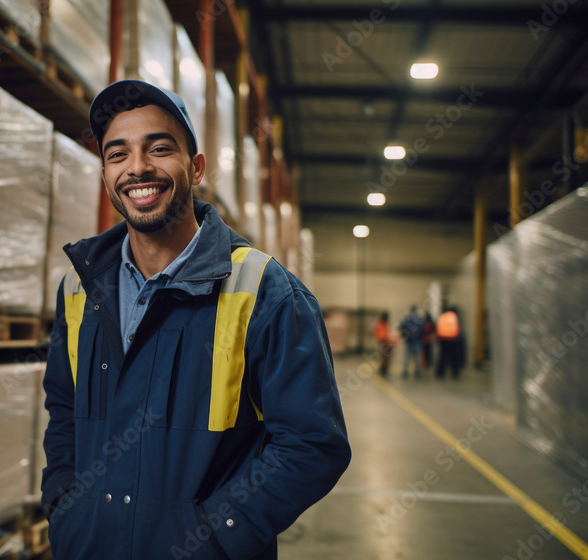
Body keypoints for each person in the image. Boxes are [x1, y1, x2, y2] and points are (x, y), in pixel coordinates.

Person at [41, 80, 351, 560]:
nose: (138, 167)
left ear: (197, 167)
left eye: (159, 148)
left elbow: (313, 445)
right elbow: (63, 410)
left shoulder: (264, 290)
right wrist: (65, 504)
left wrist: (214, 534)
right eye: (117, 154)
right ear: (105, 174)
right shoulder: (79, 288)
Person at [435, 306, 462, 379]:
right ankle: (455, 373)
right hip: (453, 339)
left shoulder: (442, 316)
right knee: (454, 356)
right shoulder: (454, 316)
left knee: (442, 356)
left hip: (443, 339)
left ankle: (440, 373)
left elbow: (438, 327)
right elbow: (457, 327)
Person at [399, 305, 424, 378]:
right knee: (416, 357)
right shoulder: (419, 320)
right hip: (417, 341)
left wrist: (405, 336)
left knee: (407, 357)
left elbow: (402, 328)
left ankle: (405, 372)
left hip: (409, 341)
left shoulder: (407, 319)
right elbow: (422, 330)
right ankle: (417, 372)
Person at [374, 312, 393, 376]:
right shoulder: (382, 324)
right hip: (384, 342)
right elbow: (384, 335)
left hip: (384, 342)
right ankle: (383, 369)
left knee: (384, 357)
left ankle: (384, 369)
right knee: (384, 357)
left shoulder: (382, 324)